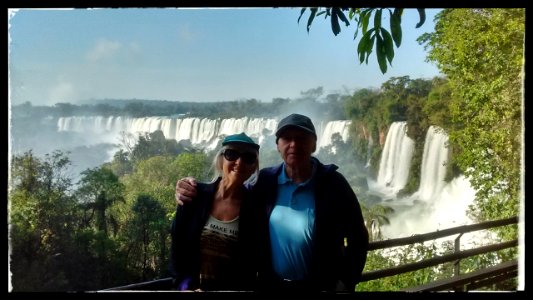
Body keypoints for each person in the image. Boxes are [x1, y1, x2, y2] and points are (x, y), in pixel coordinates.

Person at [175, 113, 369, 293]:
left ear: (314, 144)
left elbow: (358, 237)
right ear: (278, 145)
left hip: (320, 286)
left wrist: (345, 281)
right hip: (272, 286)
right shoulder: (266, 181)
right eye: (287, 138)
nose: (294, 144)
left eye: (302, 138)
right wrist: (186, 187)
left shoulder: (333, 184)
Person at [168, 132, 260, 291]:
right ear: (220, 160)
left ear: (254, 168)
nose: (239, 162)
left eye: (249, 158)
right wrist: (183, 286)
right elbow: (177, 246)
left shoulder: (256, 209)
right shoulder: (194, 196)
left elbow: (251, 264)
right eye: (232, 154)